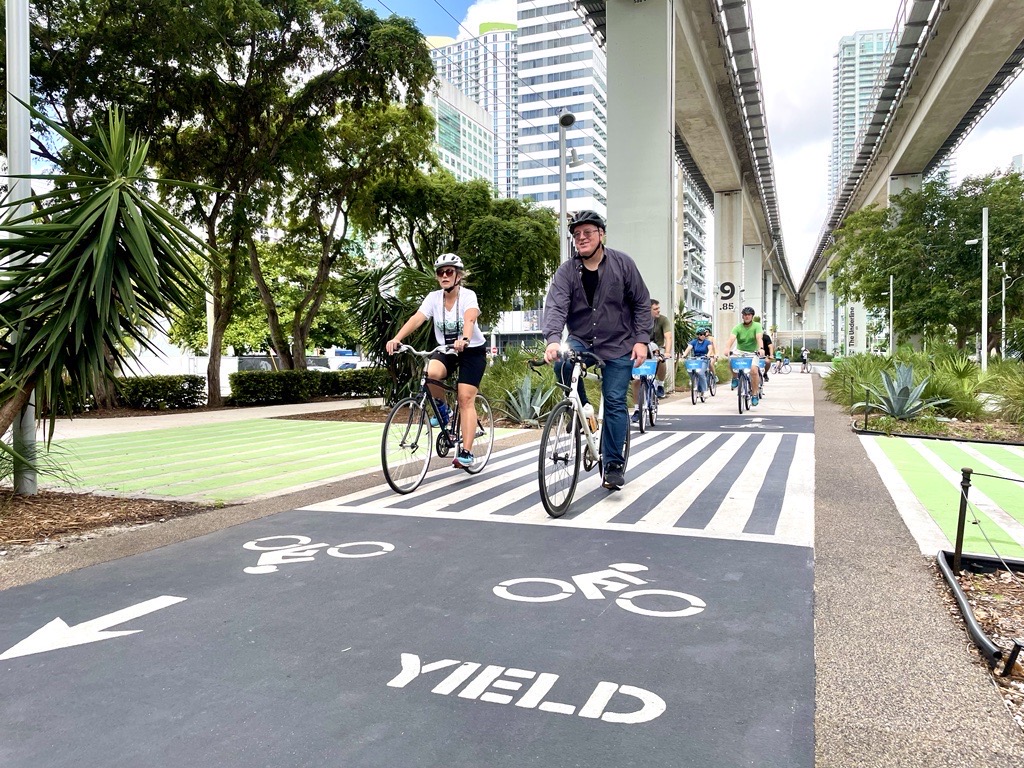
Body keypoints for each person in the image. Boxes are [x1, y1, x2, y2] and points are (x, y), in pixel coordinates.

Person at [542, 210, 652, 491]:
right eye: (576, 234)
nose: (581, 238)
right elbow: (555, 305)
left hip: (618, 343)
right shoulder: (567, 271)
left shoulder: (623, 264)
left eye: (587, 233)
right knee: (562, 365)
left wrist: (641, 340)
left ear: (601, 234)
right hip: (581, 338)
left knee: (615, 401)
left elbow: (641, 303)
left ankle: (613, 464)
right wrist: (553, 339)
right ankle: (582, 412)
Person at [386, 253, 487, 469]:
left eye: (449, 271)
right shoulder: (433, 298)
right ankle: (445, 413)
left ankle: (466, 452)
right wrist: (397, 338)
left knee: (465, 398)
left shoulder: (468, 296)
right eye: (440, 272)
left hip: (472, 350)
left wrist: (465, 339)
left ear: (458, 276)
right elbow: (417, 318)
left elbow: (470, 318)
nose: (444, 275)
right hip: (446, 349)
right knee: (431, 373)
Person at [630, 298, 672, 422]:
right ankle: (637, 409)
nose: (658, 311)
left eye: (658, 308)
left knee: (661, 359)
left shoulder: (663, 320)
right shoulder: (637, 319)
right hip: (640, 347)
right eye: (655, 309)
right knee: (636, 380)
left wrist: (668, 352)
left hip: (656, 348)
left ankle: (660, 385)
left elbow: (668, 337)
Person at [722, 307, 765, 405]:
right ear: (742, 316)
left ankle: (754, 394)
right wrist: (727, 348)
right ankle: (735, 377)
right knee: (730, 360)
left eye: (749, 314)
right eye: (745, 315)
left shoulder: (757, 326)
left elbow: (759, 338)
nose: (747, 316)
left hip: (753, 352)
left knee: (754, 371)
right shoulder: (738, 327)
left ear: (752, 316)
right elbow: (731, 339)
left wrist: (761, 349)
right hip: (739, 351)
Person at [679, 327, 717, 396]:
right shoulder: (694, 342)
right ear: (697, 335)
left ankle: (704, 391)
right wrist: (684, 355)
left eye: (704, 334)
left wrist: (708, 355)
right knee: (690, 369)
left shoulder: (707, 342)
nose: (703, 336)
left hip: (704, 359)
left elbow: (710, 349)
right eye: (701, 334)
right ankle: (693, 380)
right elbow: (688, 348)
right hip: (695, 359)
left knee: (701, 372)